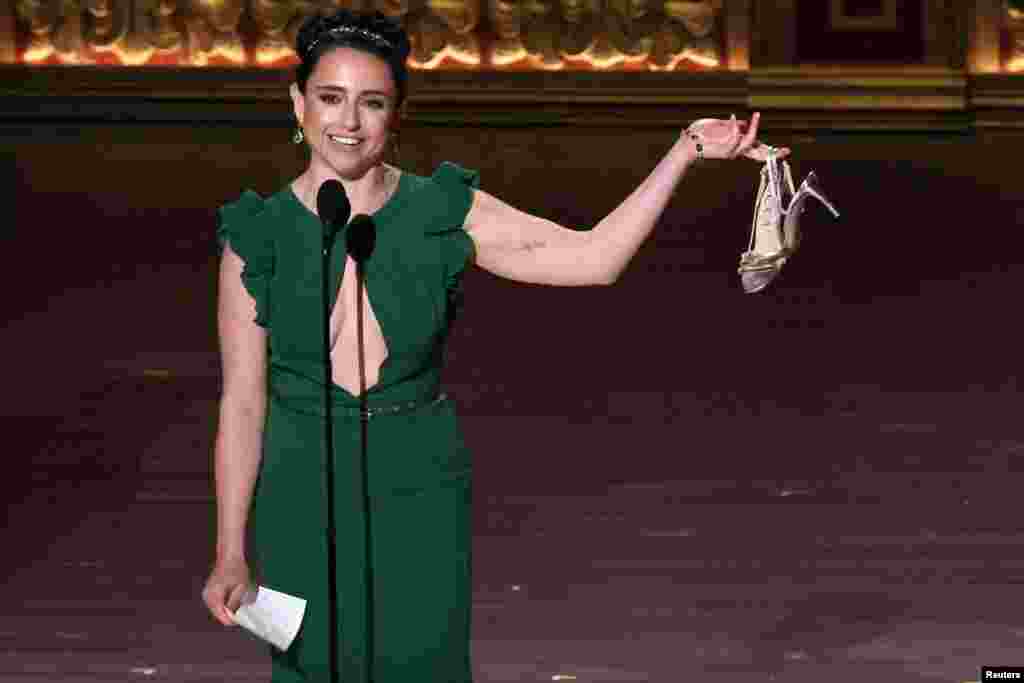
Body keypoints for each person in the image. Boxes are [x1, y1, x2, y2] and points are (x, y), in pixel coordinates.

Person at [201, 8, 787, 682]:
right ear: (298, 103)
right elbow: (243, 403)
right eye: (330, 98)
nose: (349, 122)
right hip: (301, 484)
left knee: (421, 666)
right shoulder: (257, 234)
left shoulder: (442, 212)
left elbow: (594, 258)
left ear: (397, 113)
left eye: (372, 102)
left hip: (417, 477)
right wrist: (229, 548)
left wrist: (684, 151)